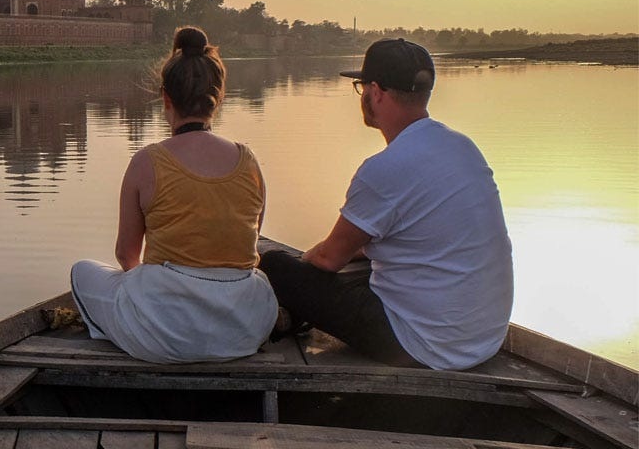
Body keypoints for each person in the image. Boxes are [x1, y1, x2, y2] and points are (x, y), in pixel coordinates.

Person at [260, 38, 513, 370]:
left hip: (421, 345)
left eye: (361, 87)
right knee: (363, 264)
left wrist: (301, 267)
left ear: (376, 92)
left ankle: (289, 316)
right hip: (484, 338)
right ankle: (295, 316)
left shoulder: (384, 169)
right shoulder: (463, 147)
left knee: (276, 266)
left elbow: (328, 259)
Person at [70, 26, 278, 363]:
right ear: (218, 96)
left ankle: (121, 332)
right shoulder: (248, 161)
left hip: (164, 335)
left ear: (166, 98)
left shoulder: (146, 162)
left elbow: (126, 255)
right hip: (245, 330)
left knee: (82, 272)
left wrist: (150, 291)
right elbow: (249, 248)